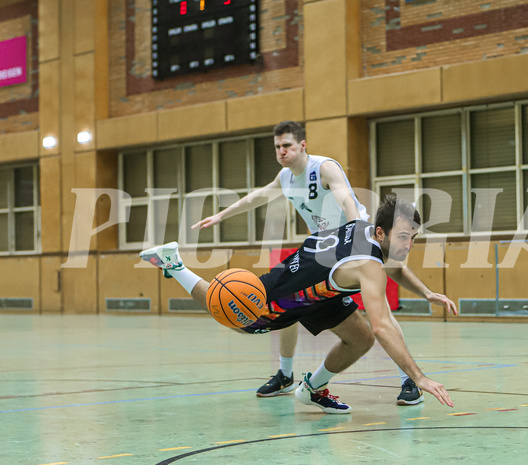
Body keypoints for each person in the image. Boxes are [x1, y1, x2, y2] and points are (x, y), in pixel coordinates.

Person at [190, 121, 457, 405]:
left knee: (379, 316)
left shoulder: (324, 168)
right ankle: (286, 373)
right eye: (277, 147)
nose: (281, 151)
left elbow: (346, 196)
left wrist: (356, 229)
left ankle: (408, 380)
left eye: (287, 146)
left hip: (352, 241)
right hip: (322, 252)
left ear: (302, 145)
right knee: (284, 300)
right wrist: (221, 216)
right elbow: (259, 196)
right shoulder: (285, 177)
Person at [141, 195, 455, 413]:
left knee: (360, 339)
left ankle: (312, 390)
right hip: (290, 291)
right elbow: (384, 325)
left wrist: (426, 292)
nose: (408, 245)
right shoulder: (367, 265)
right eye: (403, 237)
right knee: (236, 316)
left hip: (321, 288)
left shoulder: (365, 228)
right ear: (380, 232)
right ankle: (175, 264)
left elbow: (396, 264)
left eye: (413, 236)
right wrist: (419, 377)